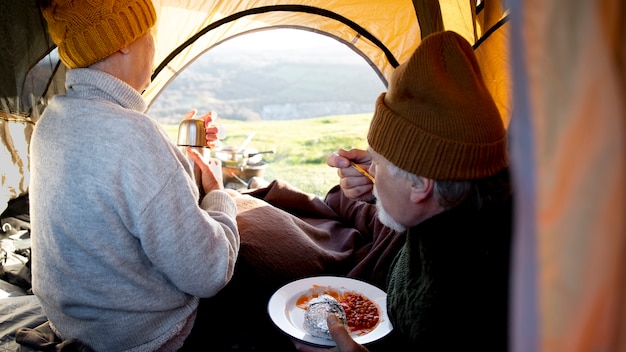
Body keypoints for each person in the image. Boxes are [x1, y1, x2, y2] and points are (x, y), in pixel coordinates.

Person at [28, 0, 239, 350]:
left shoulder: (51, 122)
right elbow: (210, 273)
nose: (154, 48)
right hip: (144, 336)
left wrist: (179, 159)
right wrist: (218, 194)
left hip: (73, 325)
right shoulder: (134, 137)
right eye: (151, 35)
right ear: (124, 41)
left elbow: (113, 178)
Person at [293, 30, 512, 351]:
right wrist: (383, 189)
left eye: (378, 165)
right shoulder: (466, 212)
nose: (370, 172)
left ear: (420, 185)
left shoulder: (463, 304)